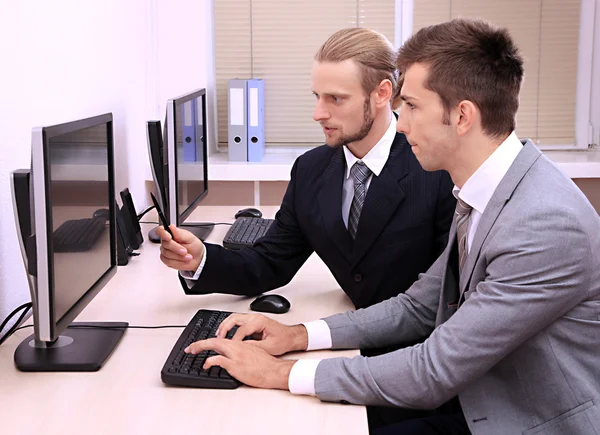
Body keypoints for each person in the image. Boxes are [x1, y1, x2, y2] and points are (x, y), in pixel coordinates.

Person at [183, 18, 600, 435]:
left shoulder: (544, 223)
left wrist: (282, 373)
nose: (400, 123)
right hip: (475, 391)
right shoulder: (485, 191)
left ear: (462, 116)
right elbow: (418, 306)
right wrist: (296, 336)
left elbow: (434, 368)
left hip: (523, 418)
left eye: (413, 107)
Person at [158, 28, 455, 311]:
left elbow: (447, 293)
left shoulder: (436, 169)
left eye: (335, 98)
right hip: (347, 334)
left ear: (381, 93)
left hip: (418, 346)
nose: (318, 114)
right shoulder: (311, 169)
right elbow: (270, 262)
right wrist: (200, 260)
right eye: (317, 96)